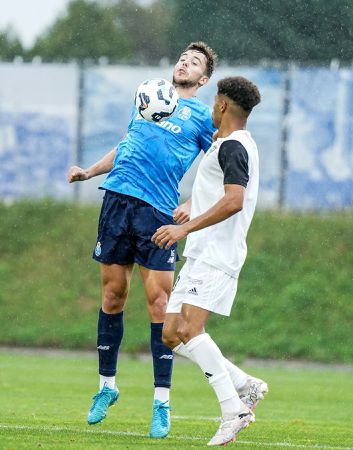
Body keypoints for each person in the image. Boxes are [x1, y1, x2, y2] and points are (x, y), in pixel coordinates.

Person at [67, 41, 218, 439]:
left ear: (203, 79)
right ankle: (106, 387)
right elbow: (126, 148)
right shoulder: (149, 97)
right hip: (117, 201)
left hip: (158, 213)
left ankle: (161, 401)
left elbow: (220, 162)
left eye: (195, 62)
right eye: (184, 57)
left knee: (159, 304)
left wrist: (193, 202)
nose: (185, 62)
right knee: (113, 295)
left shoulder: (203, 117)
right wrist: (88, 172)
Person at [152, 76, 268, 446]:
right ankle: (244, 385)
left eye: (213, 103)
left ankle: (232, 409)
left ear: (221, 106)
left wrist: (185, 229)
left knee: (189, 330)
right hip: (202, 252)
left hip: (216, 254)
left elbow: (234, 199)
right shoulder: (228, 144)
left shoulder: (233, 146)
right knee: (171, 333)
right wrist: (192, 208)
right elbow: (220, 194)